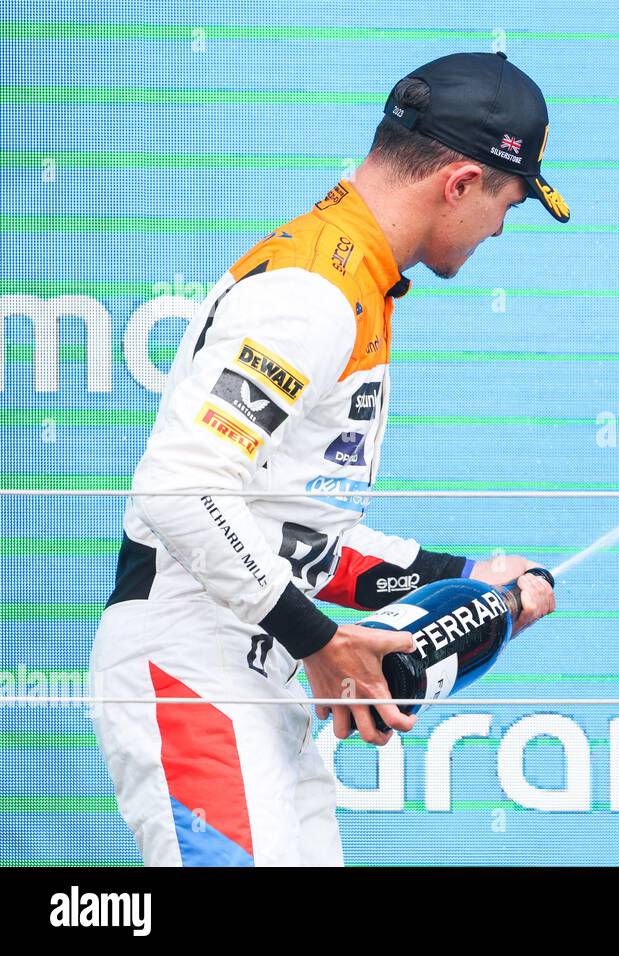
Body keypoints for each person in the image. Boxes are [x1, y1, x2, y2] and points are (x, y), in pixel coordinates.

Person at [90, 52, 565, 866]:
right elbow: (179, 490)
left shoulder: (357, 283)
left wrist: (461, 572)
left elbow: (286, 530)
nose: (498, 228)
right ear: (458, 183)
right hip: (196, 670)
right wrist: (321, 643)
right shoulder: (311, 293)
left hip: (259, 679)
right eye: (507, 203)